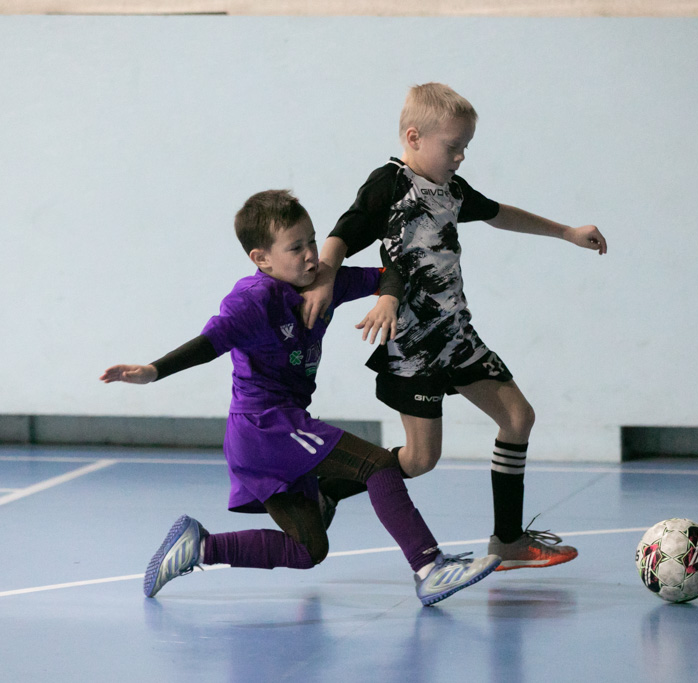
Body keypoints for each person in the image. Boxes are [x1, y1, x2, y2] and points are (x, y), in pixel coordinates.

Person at [100, 189, 500, 606]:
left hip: (269, 432)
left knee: (308, 549)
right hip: (266, 426)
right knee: (377, 465)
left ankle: (199, 547)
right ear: (261, 259)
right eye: (296, 248)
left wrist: (387, 297)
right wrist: (153, 371)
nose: (311, 255)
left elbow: (391, 271)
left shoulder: (323, 281)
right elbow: (210, 342)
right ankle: (430, 566)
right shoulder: (254, 300)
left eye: (312, 240)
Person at [300, 83, 607, 571]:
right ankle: (332, 486)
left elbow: (499, 214)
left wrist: (566, 232)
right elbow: (344, 232)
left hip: (457, 337)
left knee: (518, 418)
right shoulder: (389, 184)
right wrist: (324, 279)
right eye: (453, 146)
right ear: (414, 137)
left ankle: (508, 542)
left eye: (466, 147)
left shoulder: (451, 190)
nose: (461, 156)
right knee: (420, 461)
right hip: (413, 347)